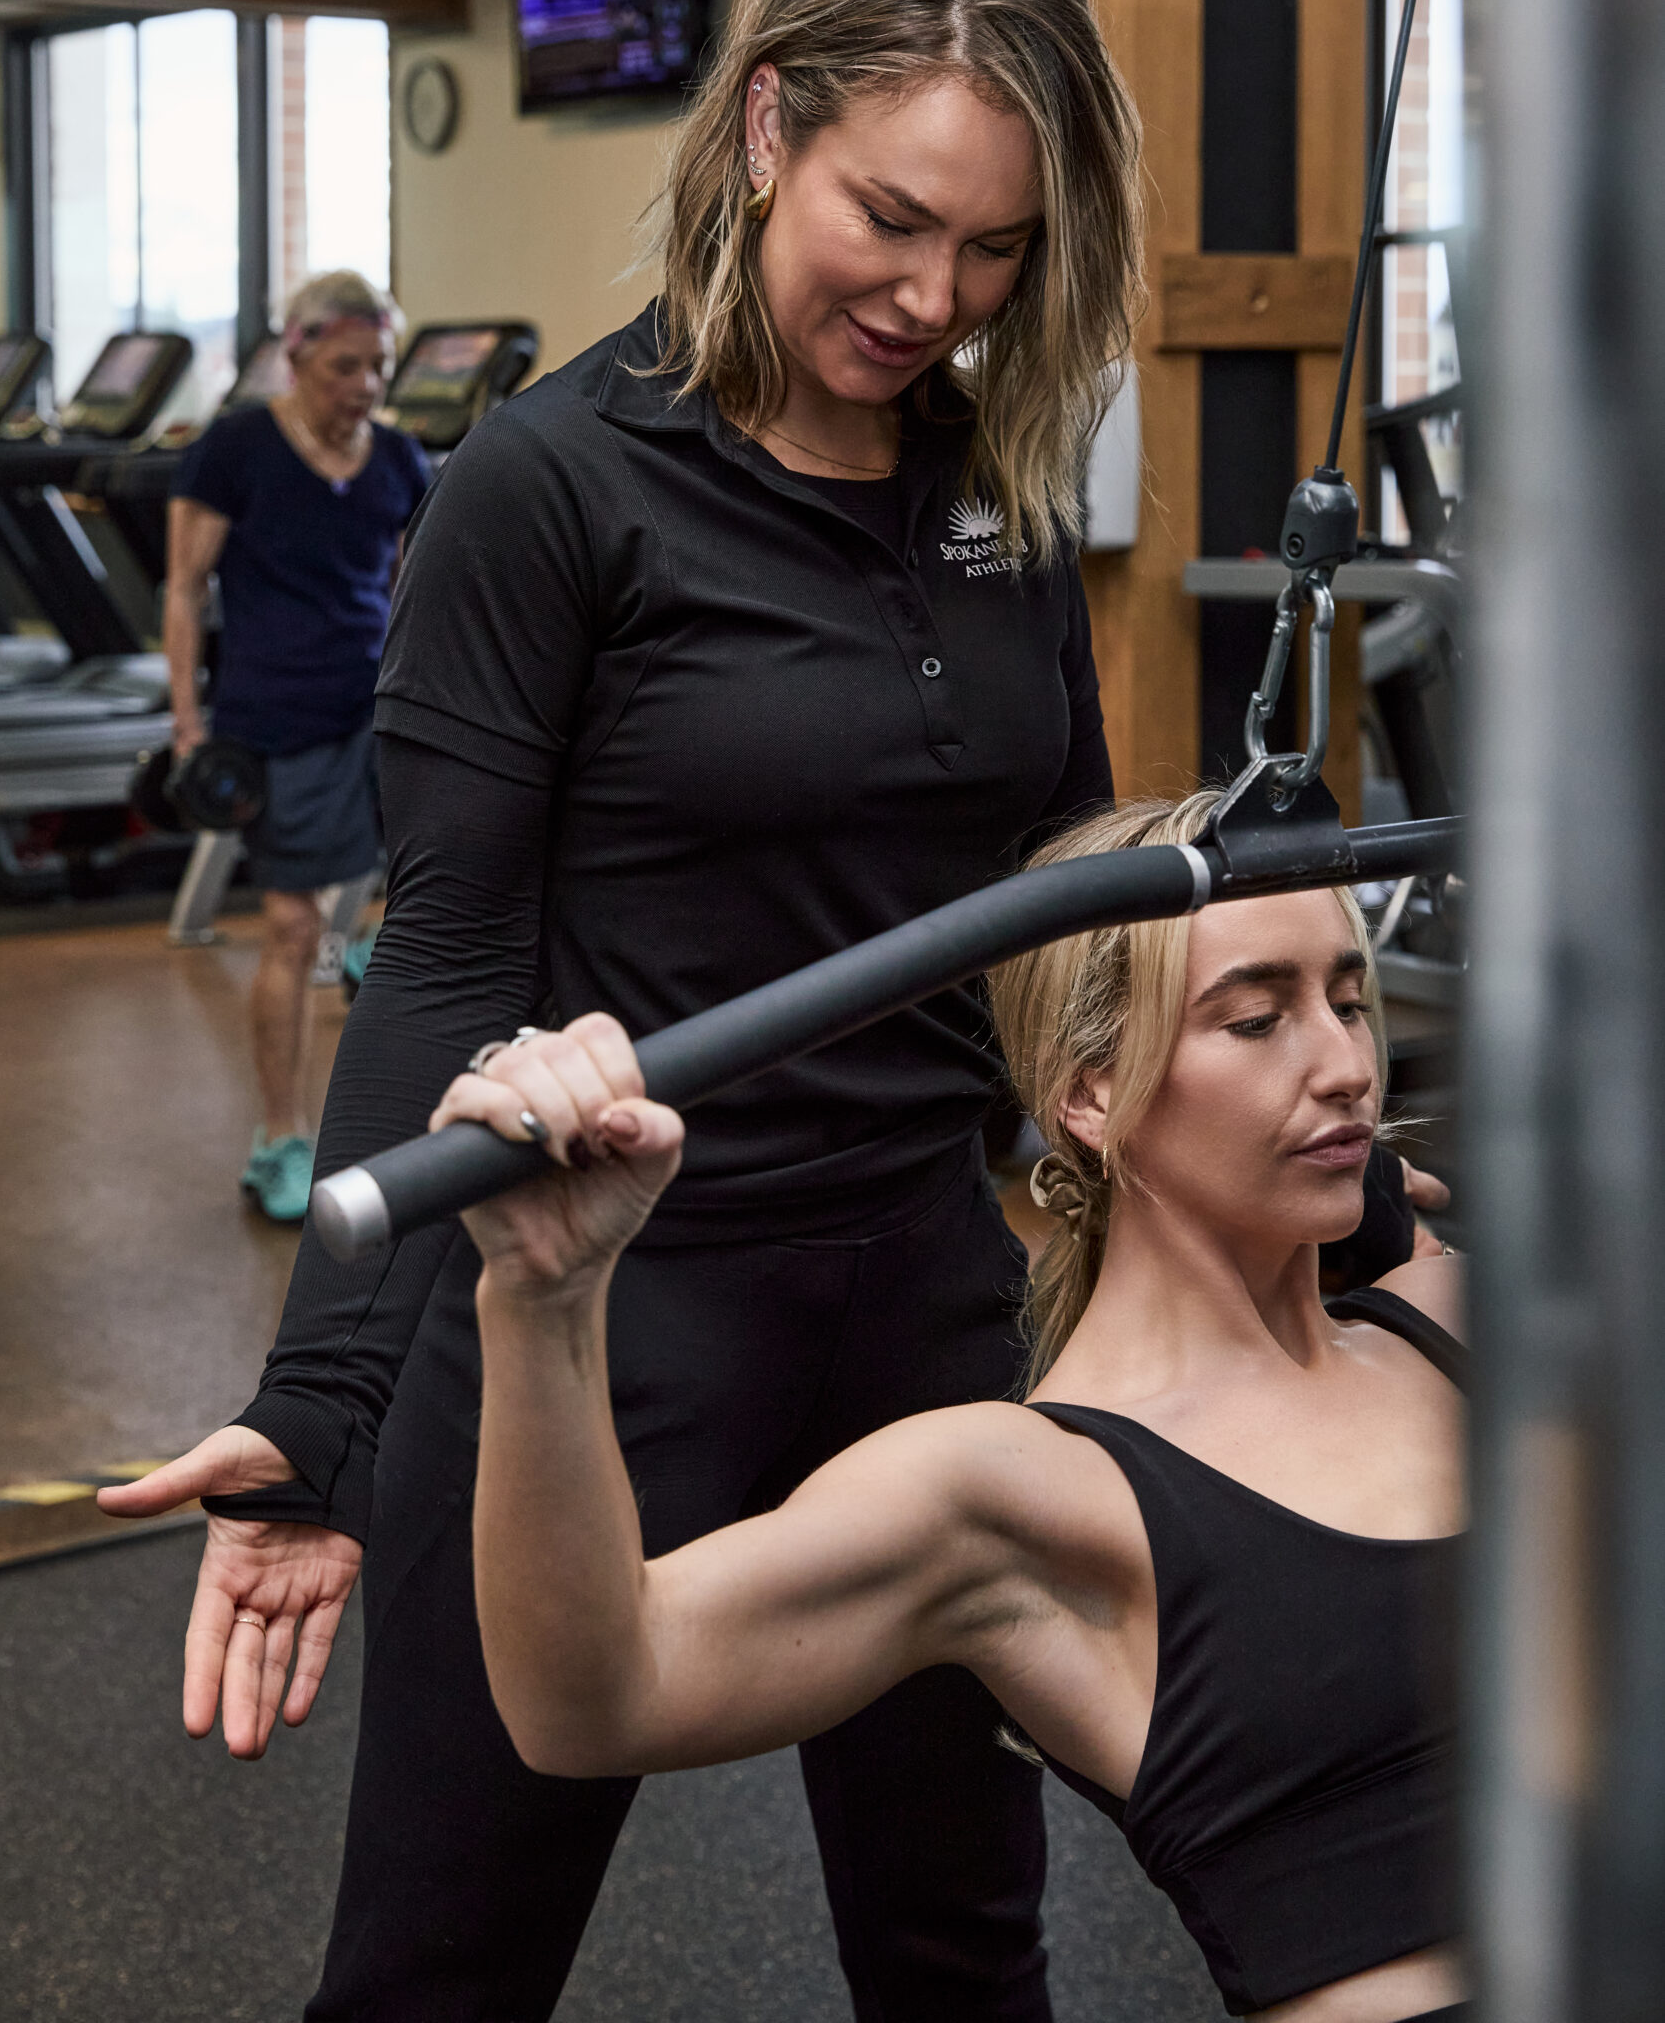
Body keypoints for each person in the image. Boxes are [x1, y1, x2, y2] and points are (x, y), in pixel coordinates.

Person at [105, 0, 1429, 2017]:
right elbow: (442, 951)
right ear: (761, 131)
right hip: (602, 1303)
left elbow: (1059, 911)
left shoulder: (986, 482)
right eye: (891, 219)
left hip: (927, 1291)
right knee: (446, 1954)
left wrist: (1312, 1177)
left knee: (958, 1935)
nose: (932, 296)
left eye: (991, 248)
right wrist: (327, 1408)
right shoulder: (547, 486)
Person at [433, 791, 1468, 2023]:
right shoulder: (1025, 1491)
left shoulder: (1456, 1328)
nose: (1347, 1063)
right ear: (1091, 1097)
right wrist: (545, 1296)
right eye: (1257, 1019)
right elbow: (592, 1697)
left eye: (1349, 1001)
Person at [163, 272, 430, 1223]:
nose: (363, 385)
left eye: (379, 368)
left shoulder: (399, 460)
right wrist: (190, 725)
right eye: (346, 366)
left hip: (378, 708)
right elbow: (185, 590)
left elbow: (413, 595)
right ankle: (280, 1135)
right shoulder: (235, 449)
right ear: (298, 352)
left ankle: (368, 939)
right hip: (277, 717)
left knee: (447, 877)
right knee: (287, 928)